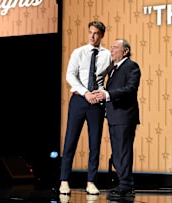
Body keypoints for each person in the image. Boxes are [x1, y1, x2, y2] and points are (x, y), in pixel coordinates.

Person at [59, 20, 112, 195]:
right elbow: (70, 76)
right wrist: (85, 92)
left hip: (96, 102)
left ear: (102, 35)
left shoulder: (107, 55)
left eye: (96, 33)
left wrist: (101, 93)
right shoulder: (79, 52)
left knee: (94, 143)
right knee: (70, 141)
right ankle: (64, 181)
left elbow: (110, 79)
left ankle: (91, 182)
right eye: (90, 32)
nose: (92, 36)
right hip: (79, 99)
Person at [95, 38, 141, 198]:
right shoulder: (114, 69)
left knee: (123, 152)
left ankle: (126, 185)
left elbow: (130, 89)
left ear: (125, 51)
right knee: (117, 153)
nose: (111, 50)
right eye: (111, 47)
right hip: (115, 116)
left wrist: (108, 95)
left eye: (115, 47)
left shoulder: (131, 66)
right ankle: (123, 183)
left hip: (125, 116)